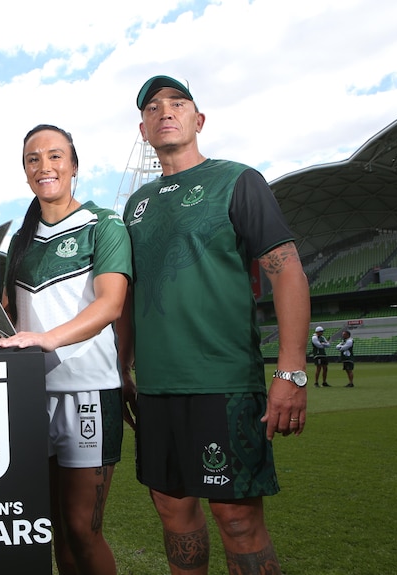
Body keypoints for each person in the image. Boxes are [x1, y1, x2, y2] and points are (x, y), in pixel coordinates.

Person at [117, 76, 310, 575]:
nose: (165, 111)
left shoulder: (238, 180)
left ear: (197, 120)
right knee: (173, 510)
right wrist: (120, 369)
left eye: (177, 104)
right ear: (143, 130)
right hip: (158, 389)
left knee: (237, 518)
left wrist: (290, 371)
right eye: (153, 107)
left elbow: (286, 270)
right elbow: (129, 296)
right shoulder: (135, 207)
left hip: (222, 382)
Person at [0, 125, 130, 575]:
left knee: (83, 531)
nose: (44, 166)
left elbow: (111, 303)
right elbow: (7, 316)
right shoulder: (20, 243)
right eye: (33, 159)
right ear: (25, 171)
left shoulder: (103, 225)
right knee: (50, 529)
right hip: (30, 395)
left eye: (54, 156)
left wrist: (48, 338)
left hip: (89, 390)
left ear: (74, 165)